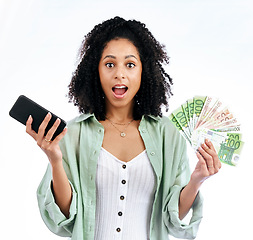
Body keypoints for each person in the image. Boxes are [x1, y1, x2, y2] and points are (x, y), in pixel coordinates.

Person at [26, 16, 221, 240]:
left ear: (143, 71)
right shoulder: (74, 133)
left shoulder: (167, 134)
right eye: (110, 64)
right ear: (95, 71)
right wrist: (55, 160)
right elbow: (66, 216)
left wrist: (197, 179)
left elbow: (173, 219)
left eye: (130, 64)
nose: (119, 73)